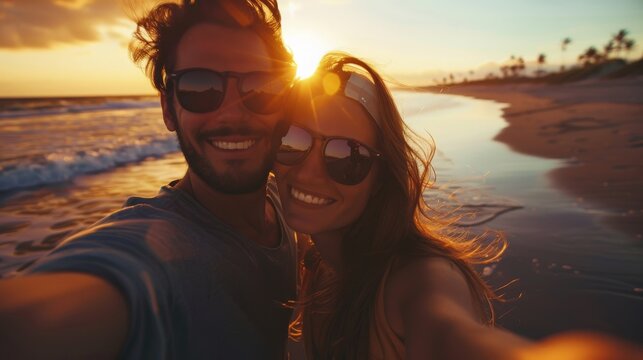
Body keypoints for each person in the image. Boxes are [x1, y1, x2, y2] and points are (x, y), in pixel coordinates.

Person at [273, 53, 643, 359]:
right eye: (292, 140)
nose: (307, 172)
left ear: (381, 180)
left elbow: (447, 331)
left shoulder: (415, 277)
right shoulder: (316, 260)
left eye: (347, 155)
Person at [0, 1, 299, 358]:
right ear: (169, 109)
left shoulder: (288, 201)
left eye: (259, 87)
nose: (232, 112)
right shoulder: (154, 249)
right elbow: (46, 316)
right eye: (199, 88)